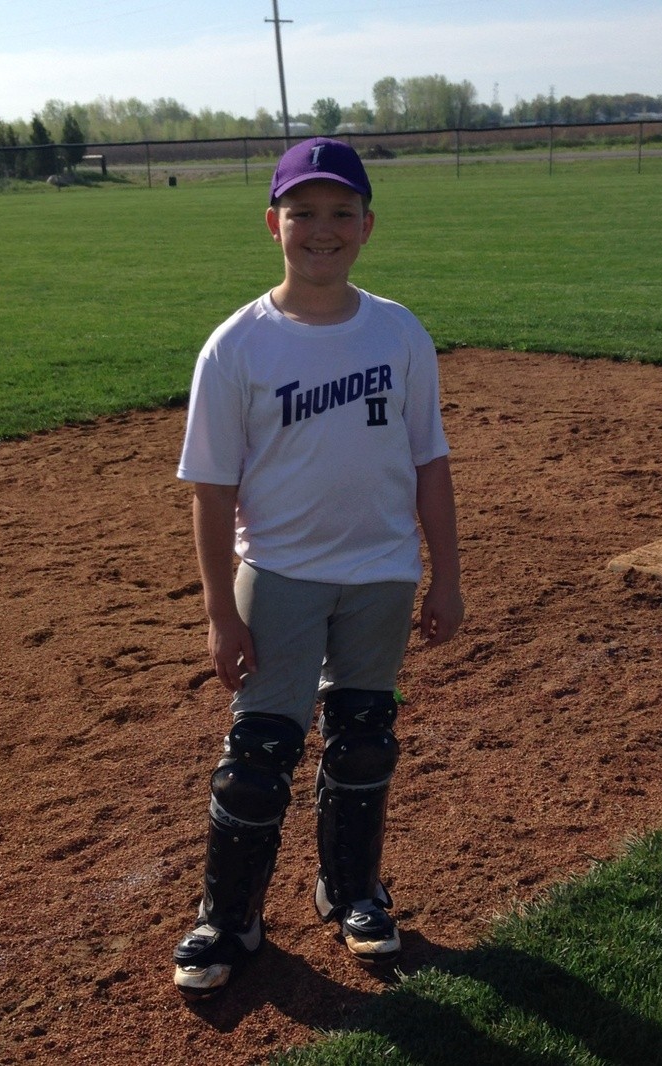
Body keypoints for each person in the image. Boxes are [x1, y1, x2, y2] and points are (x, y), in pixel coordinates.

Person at [172, 137, 464, 1000]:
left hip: (381, 572)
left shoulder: (399, 330)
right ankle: (229, 916)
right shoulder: (238, 347)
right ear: (274, 224)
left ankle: (352, 891)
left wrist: (444, 576)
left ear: (367, 226)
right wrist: (222, 613)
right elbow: (211, 492)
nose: (322, 229)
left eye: (342, 213)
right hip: (282, 572)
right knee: (260, 752)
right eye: (304, 212)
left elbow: (431, 466)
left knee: (365, 735)